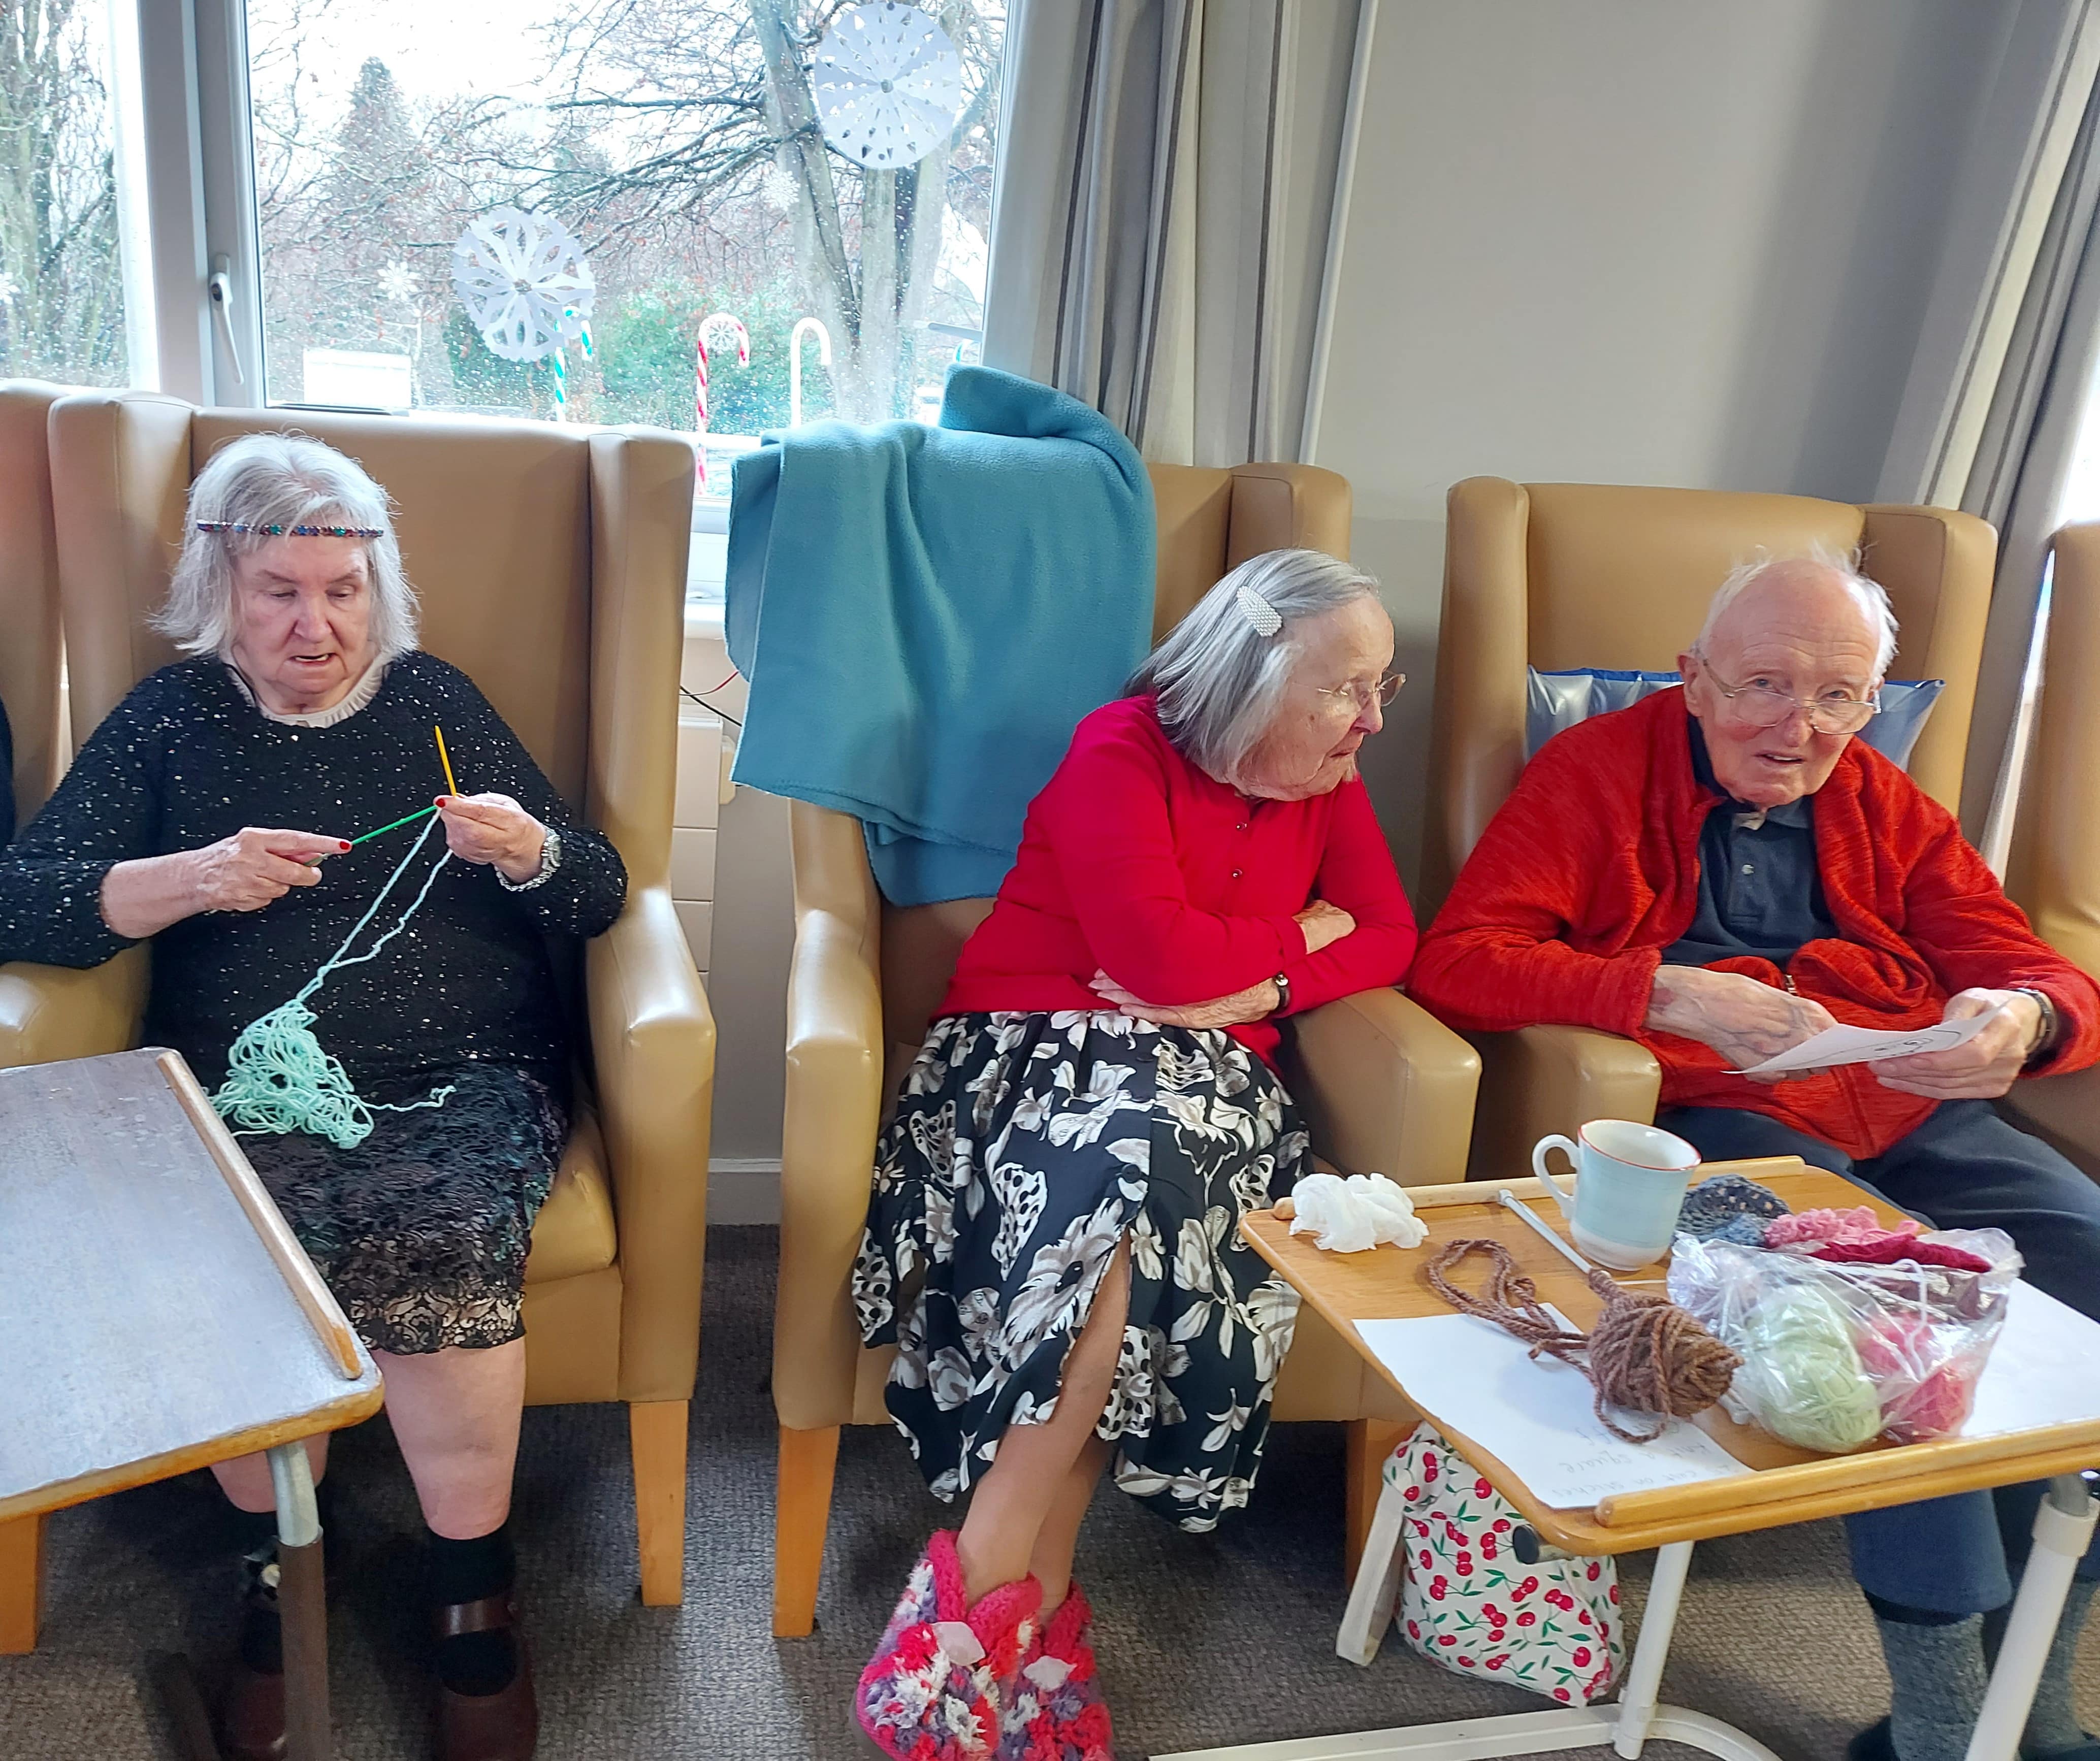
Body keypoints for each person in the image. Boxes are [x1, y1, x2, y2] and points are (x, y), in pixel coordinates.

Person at [1408, 551, 2100, 1761]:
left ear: (1870, 706)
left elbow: (2034, 966)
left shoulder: (1883, 800)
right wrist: (1658, 993)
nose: (1799, 727)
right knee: (1895, 1319)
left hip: (1909, 1107)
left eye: (1836, 698)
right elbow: (1460, 958)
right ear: (1690, 678)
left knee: (2090, 1259)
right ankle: (1947, 1727)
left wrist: (2022, 1022)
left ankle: (2029, 1697)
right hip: (1723, 1122)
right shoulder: (1592, 773)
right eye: (1763, 686)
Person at [0, 432, 628, 1761]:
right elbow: (26, 896)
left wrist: (531, 850)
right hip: (248, 1085)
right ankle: (277, 1568)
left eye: (342, 590)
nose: (315, 622)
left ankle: (472, 1591)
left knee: (441, 1235)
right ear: (219, 587)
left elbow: (600, 889)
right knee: (239, 1253)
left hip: (468, 1080)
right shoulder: (171, 721)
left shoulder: (434, 700)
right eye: (281, 589)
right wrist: (188, 877)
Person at [850, 548, 1418, 1760]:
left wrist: (1251, 980)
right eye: (1343, 689)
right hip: (1028, 1049)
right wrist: (1282, 939)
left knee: (1159, 1182)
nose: (1370, 718)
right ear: (1254, 679)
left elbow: (1391, 933)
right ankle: (1017, 1597)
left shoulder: (1331, 774)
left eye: (1384, 685)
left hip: (1213, 1078)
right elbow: (1153, 965)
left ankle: (999, 1610)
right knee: (1125, 1193)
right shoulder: (1121, 746)